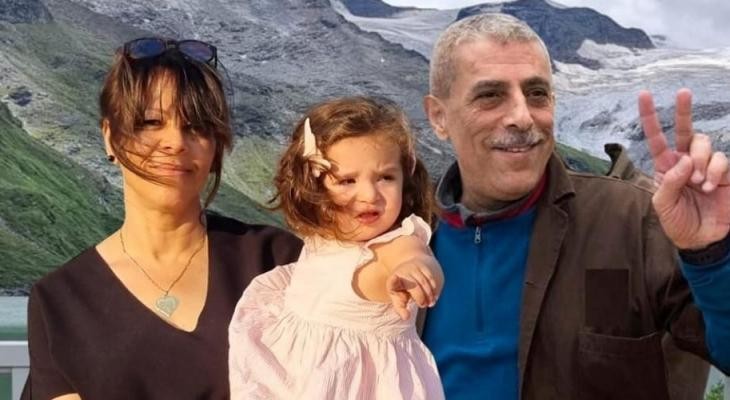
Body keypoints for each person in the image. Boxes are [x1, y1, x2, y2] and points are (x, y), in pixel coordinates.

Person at [420, 13, 730, 400]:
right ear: (439, 117)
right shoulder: (404, 238)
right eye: (490, 95)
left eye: (537, 93)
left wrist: (713, 255)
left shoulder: (631, 221)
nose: (522, 117)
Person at [22, 37, 302, 399]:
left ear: (215, 147)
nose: (175, 142)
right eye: (151, 122)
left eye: (196, 127)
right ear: (110, 137)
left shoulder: (276, 261)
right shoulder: (59, 301)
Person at [228, 96, 445, 399]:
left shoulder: (393, 244)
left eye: (385, 177)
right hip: (300, 377)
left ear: (405, 179)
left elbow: (415, 256)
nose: (369, 194)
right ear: (313, 186)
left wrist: (416, 270)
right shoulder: (327, 236)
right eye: (347, 181)